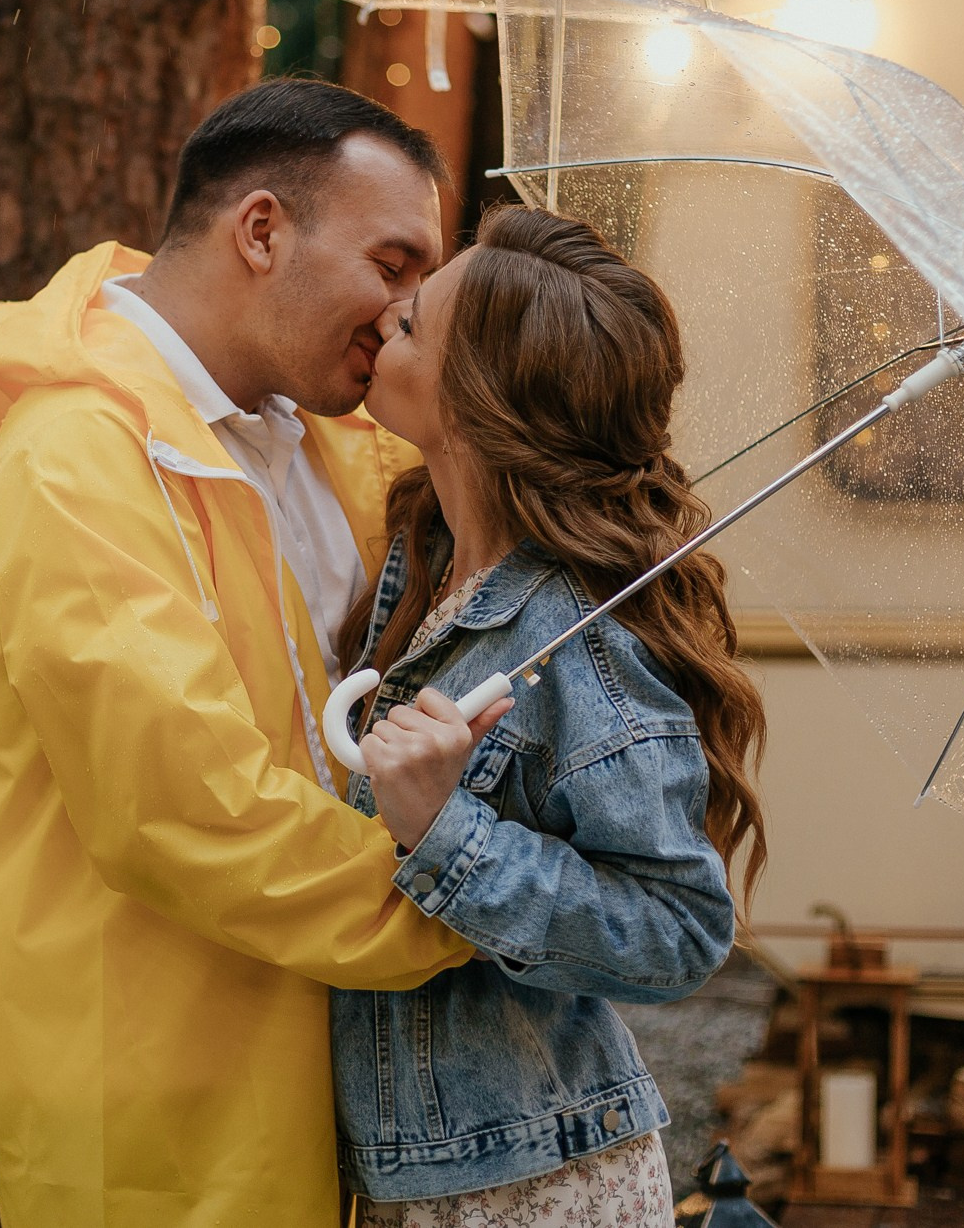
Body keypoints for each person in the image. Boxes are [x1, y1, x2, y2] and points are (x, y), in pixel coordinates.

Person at [0, 80, 511, 1228]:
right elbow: (189, 807)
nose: (410, 308)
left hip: (339, 1056)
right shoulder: (70, 465)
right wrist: (479, 901)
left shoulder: (336, 440)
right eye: (394, 262)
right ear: (261, 229)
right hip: (156, 1091)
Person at [327, 203, 771, 1226]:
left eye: (412, 323)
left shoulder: (581, 638)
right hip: (422, 1169)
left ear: (478, 399)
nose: (385, 311)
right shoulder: (421, 561)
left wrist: (449, 834)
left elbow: (679, 928)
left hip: (529, 1185)